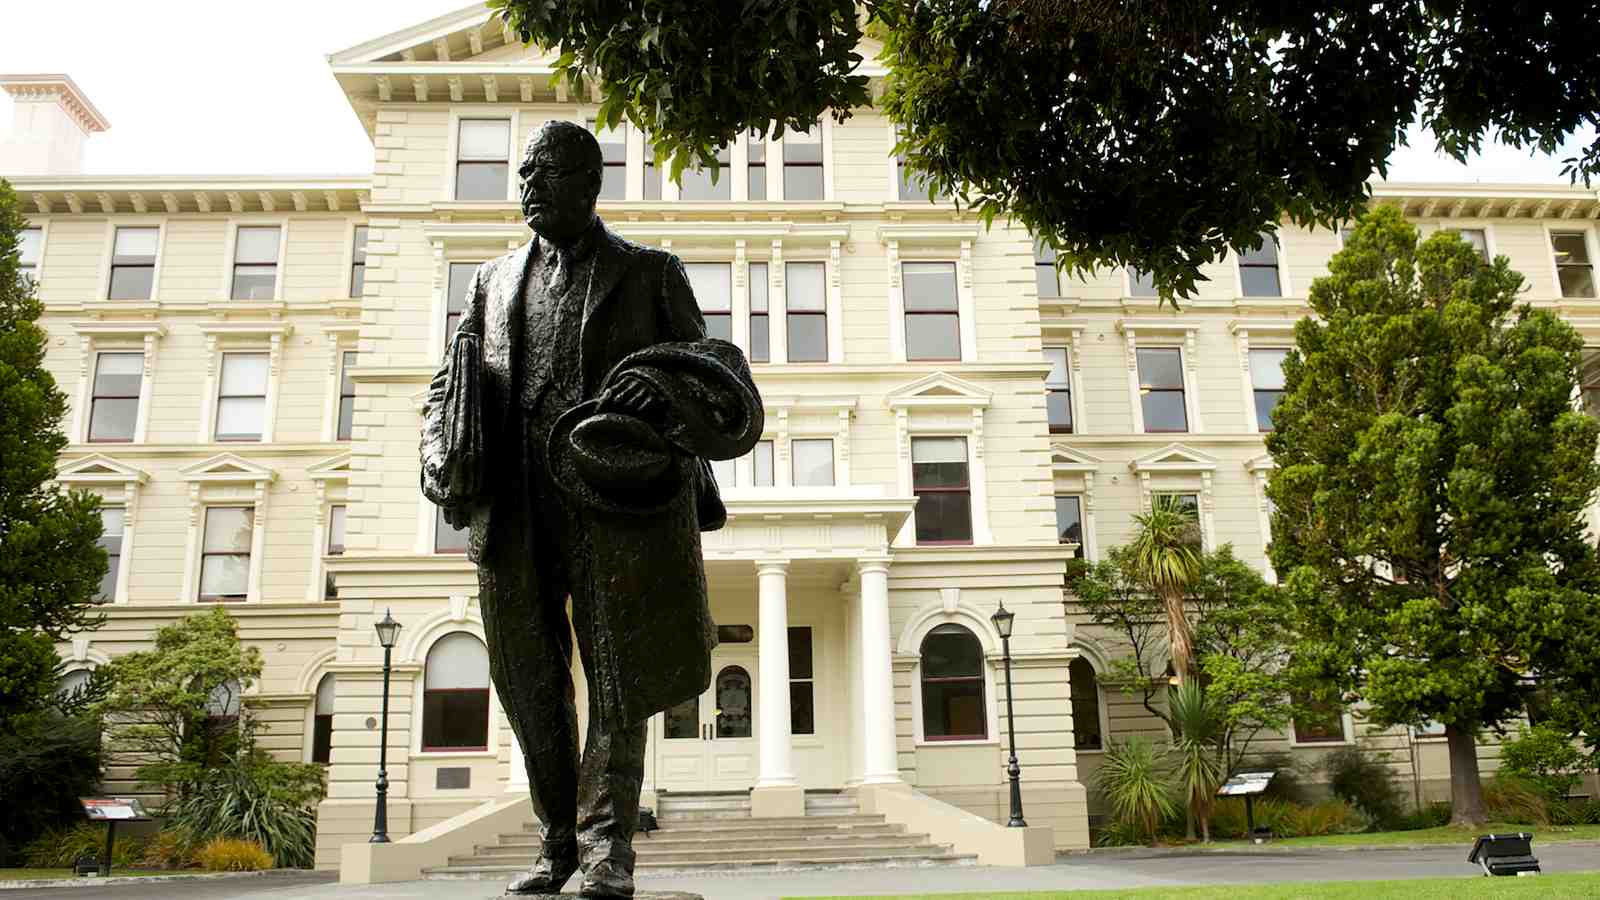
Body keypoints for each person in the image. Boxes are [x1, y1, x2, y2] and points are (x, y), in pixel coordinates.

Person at [420, 120, 762, 897]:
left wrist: (658, 384)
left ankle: (608, 848)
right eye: (523, 175)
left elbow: (710, 371)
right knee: (527, 678)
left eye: (545, 172)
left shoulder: (650, 273)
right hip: (515, 507)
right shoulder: (491, 280)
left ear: (588, 183)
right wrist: (441, 456)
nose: (529, 187)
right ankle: (557, 842)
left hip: (620, 503)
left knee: (619, 677)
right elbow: (453, 384)